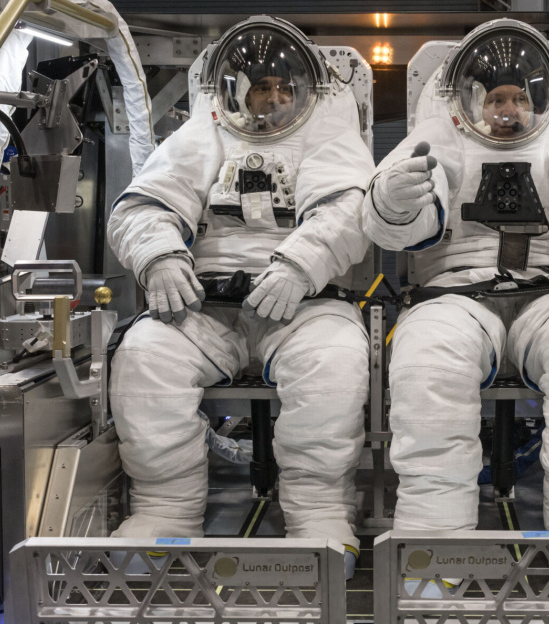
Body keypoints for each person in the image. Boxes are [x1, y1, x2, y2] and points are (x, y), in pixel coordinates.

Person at [362, 20, 549, 596]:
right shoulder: (439, 134)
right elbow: (390, 222)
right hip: (454, 290)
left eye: (519, 97)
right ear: (470, 100)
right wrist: (398, 201)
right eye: (496, 98)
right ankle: (433, 542)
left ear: (540, 101)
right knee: (426, 363)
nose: (508, 109)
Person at [107, 17, 373, 579]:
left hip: (307, 304)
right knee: (145, 355)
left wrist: (301, 263)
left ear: (304, 90)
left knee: (334, 364)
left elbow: (349, 209)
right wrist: (159, 256)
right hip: (208, 306)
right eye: (261, 87)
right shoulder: (205, 132)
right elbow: (144, 206)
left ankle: (321, 515)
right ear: (237, 90)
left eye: (284, 87)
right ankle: (164, 511)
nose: (273, 99)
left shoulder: (329, 132)